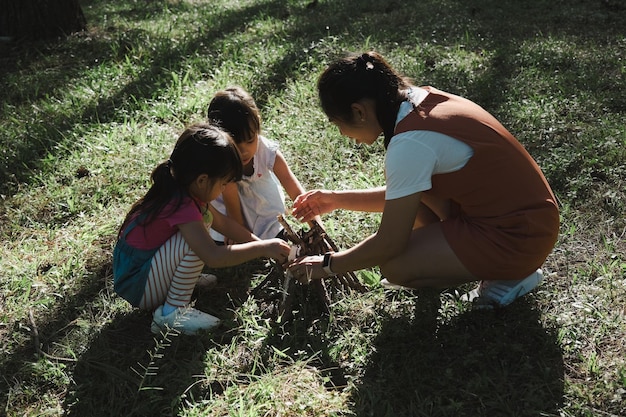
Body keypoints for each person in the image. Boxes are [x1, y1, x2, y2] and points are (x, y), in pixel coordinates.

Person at [288, 51, 559, 308]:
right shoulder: (418, 102)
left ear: (359, 112)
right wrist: (335, 200)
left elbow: (389, 244)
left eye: (338, 124)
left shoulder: (410, 144)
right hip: (530, 220)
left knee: (395, 266)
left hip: (520, 237)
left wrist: (327, 265)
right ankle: (475, 259)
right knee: (412, 223)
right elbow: (405, 196)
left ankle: (511, 274)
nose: (343, 134)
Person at [113, 123, 291, 335]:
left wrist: (259, 243)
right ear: (203, 180)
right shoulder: (182, 205)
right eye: (223, 184)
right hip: (138, 284)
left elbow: (224, 223)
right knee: (197, 240)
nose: (225, 190)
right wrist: (263, 249)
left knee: (202, 227)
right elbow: (214, 256)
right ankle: (172, 313)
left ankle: (179, 282)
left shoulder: (185, 190)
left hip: (141, 273)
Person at [206, 86, 321, 243]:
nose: (244, 151)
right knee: (223, 239)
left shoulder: (266, 151)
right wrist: (237, 232)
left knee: (275, 231)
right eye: (236, 145)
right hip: (230, 207)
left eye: (250, 140)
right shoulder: (223, 159)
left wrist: (317, 227)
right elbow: (232, 206)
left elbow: (295, 190)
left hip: (261, 201)